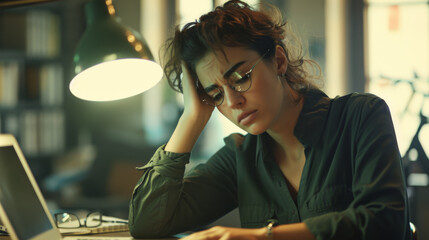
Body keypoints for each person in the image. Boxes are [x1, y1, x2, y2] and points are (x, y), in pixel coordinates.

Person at [128, 1, 411, 239]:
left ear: (278, 60)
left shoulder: (360, 116)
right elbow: (147, 223)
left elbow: (384, 221)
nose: (232, 102)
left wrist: (263, 236)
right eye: (215, 94)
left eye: (240, 78)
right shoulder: (239, 158)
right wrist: (191, 117)